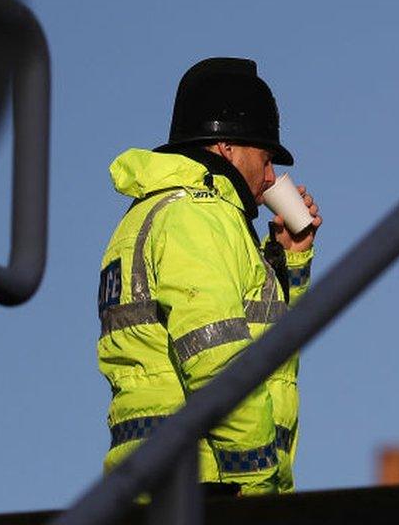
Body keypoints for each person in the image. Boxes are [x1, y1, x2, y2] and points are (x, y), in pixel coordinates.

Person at [96, 57, 321, 495]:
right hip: (208, 488)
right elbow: (218, 361)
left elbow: (258, 342)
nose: (271, 175)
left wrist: (287, 263)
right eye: (266, 155)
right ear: (227, 147)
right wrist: (258, 483)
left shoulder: (165, 212)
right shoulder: (197, 216)